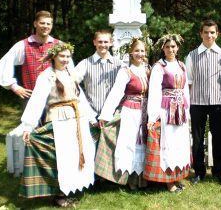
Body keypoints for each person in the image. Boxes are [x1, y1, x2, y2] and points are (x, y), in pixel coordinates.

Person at [18, 43, 97, 207]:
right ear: (53, 57)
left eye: (68, 56)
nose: (66, 59)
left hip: (77, 118)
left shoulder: (71, 73)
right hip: (59, 120)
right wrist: (28, 125)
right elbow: (37, 100)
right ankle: (60, 193)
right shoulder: (47, 76)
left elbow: (79, 97)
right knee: (63, 156)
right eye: (62, 56)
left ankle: (72, 187)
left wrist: (91, 117)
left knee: (78, 154)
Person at [98, 37, 150, 190]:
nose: (139, 53)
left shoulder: (148, 69)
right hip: (130, 112)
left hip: (144, 112)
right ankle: (129, 180)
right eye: (137, 51)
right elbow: (116, 93)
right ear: (131, 52)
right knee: (129, 144)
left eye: (142, 50)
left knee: (142, 143)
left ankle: (142, 179)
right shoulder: (126, 71)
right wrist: (105, 114)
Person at [185, 19, 221, 184]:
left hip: (218, 103)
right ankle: (199, 172)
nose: (209, 35)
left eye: (212, 32)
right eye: (206, 32)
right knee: (197, 138)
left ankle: (219, 172)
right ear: (201, 33)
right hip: (197, 103)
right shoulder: (191, 55)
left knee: (218, 138)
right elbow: (188, 81)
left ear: (217, 34)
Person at [75, 30, 124, 184]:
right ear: (94, 42)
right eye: (100, 41)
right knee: (91, 146)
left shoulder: (119, 64)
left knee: (110, 146)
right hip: (91, 112)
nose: (103, 45)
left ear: (110, 43)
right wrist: (88, 112)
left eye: (106, 42)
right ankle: (91, 178)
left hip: (112, 114)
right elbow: (73, 84)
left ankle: (108, 177)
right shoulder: (85, 63)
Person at [144, 34, 191, 193]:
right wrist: (153, 116)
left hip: (181, 109)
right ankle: (168, 181)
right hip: (166, 110)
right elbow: (154, 92)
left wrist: (187, 110)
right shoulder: (159, 67)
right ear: (163, 49)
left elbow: (185, 90)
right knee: (168, 143)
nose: (171, 49)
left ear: (177, 48)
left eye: (173, 46)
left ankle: (177, 177)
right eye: (167, 47)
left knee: (179, 143)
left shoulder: (182, 65)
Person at [0, 10, 63, 99]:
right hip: (31, 98)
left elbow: (69, 70)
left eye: (48, 24)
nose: (45, 26)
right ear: (35, 24)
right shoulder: (22, 45)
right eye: (42, 23)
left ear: (52, 25)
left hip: (56, 98)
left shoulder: (59, 45)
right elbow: (4, 64)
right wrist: (15, 87)